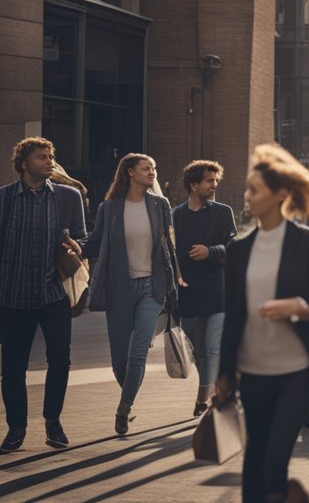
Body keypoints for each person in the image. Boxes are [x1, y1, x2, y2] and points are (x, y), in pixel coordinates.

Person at [217, 144, 309, 503]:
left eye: (254, 190)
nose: (247, 196)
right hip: (253, 374)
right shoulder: (238, 250)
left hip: (297, 372)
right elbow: (232, 316)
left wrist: (303, 308)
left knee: (274, 461)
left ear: (281, 195)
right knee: (253, 462)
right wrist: (225, 372)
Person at [0, 138, 87, 452]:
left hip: (53, 294)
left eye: (51, 155)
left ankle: (53, 420)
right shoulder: (5, 198)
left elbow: (83, 236)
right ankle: (16, 428)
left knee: (60, 360)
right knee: (12, 366)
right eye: (42, 157)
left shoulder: (68, 197)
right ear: (24, 163)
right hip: (12, 296)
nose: (49, 161)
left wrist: (78, 246)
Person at [83, 154, 180, 435]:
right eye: (146, 168)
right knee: (119, 361)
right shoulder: (110, 207)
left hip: (152, 286)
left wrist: (177, 276)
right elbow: (97, 241)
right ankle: (128, 392)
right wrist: (78, 249)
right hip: (120, 288)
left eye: (154, 167)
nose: (152, 172)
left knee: (138, 352)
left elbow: (169, 245)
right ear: (129, 172)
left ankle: (123, 409)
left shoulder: (160, 205)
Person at [173, 160, 236, 417]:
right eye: (209, 181)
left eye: (216, 180)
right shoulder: (176, 215)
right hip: (187, 292)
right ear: (193, 184)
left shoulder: (223, 212)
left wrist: (209, 251)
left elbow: (233, 245)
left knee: (211, 347)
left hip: (217, 290)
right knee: (197, 351)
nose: (214, 185)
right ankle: (211, 386)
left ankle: (202, 399)